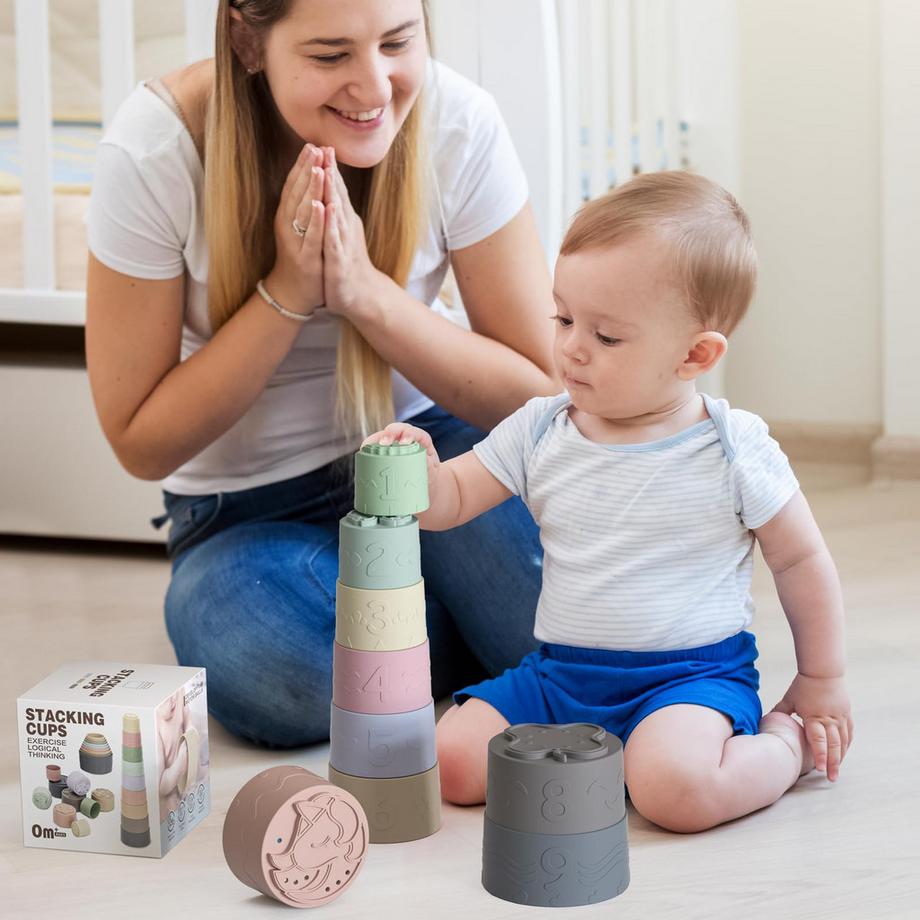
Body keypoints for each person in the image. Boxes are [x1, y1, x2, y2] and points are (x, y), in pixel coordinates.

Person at [85, 0, 558, 747]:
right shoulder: (154, 151)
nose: (374, 86)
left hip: (431, 457)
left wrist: (367, 294)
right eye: (332, 55)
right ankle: (448, 626)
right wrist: (288, 293)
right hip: (244, 512)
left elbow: (540, 389)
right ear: (247, 39)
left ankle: (403, 640)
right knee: (277, 665)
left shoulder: (459, 121)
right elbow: (141, 443)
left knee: (579, 598)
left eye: (398, 42)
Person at [364, 171, 853, 833]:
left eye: (606, 337)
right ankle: (608, 762)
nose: (571, 347)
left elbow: (800, 561)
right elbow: (453, 499)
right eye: (563, 318)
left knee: (675, 792)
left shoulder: (733, 447)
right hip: (562, 677)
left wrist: (821, 678)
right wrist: (423, 471)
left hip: (689, 680)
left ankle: (782, 749)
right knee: (451, 761)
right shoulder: (541, 427)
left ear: (694, 354)